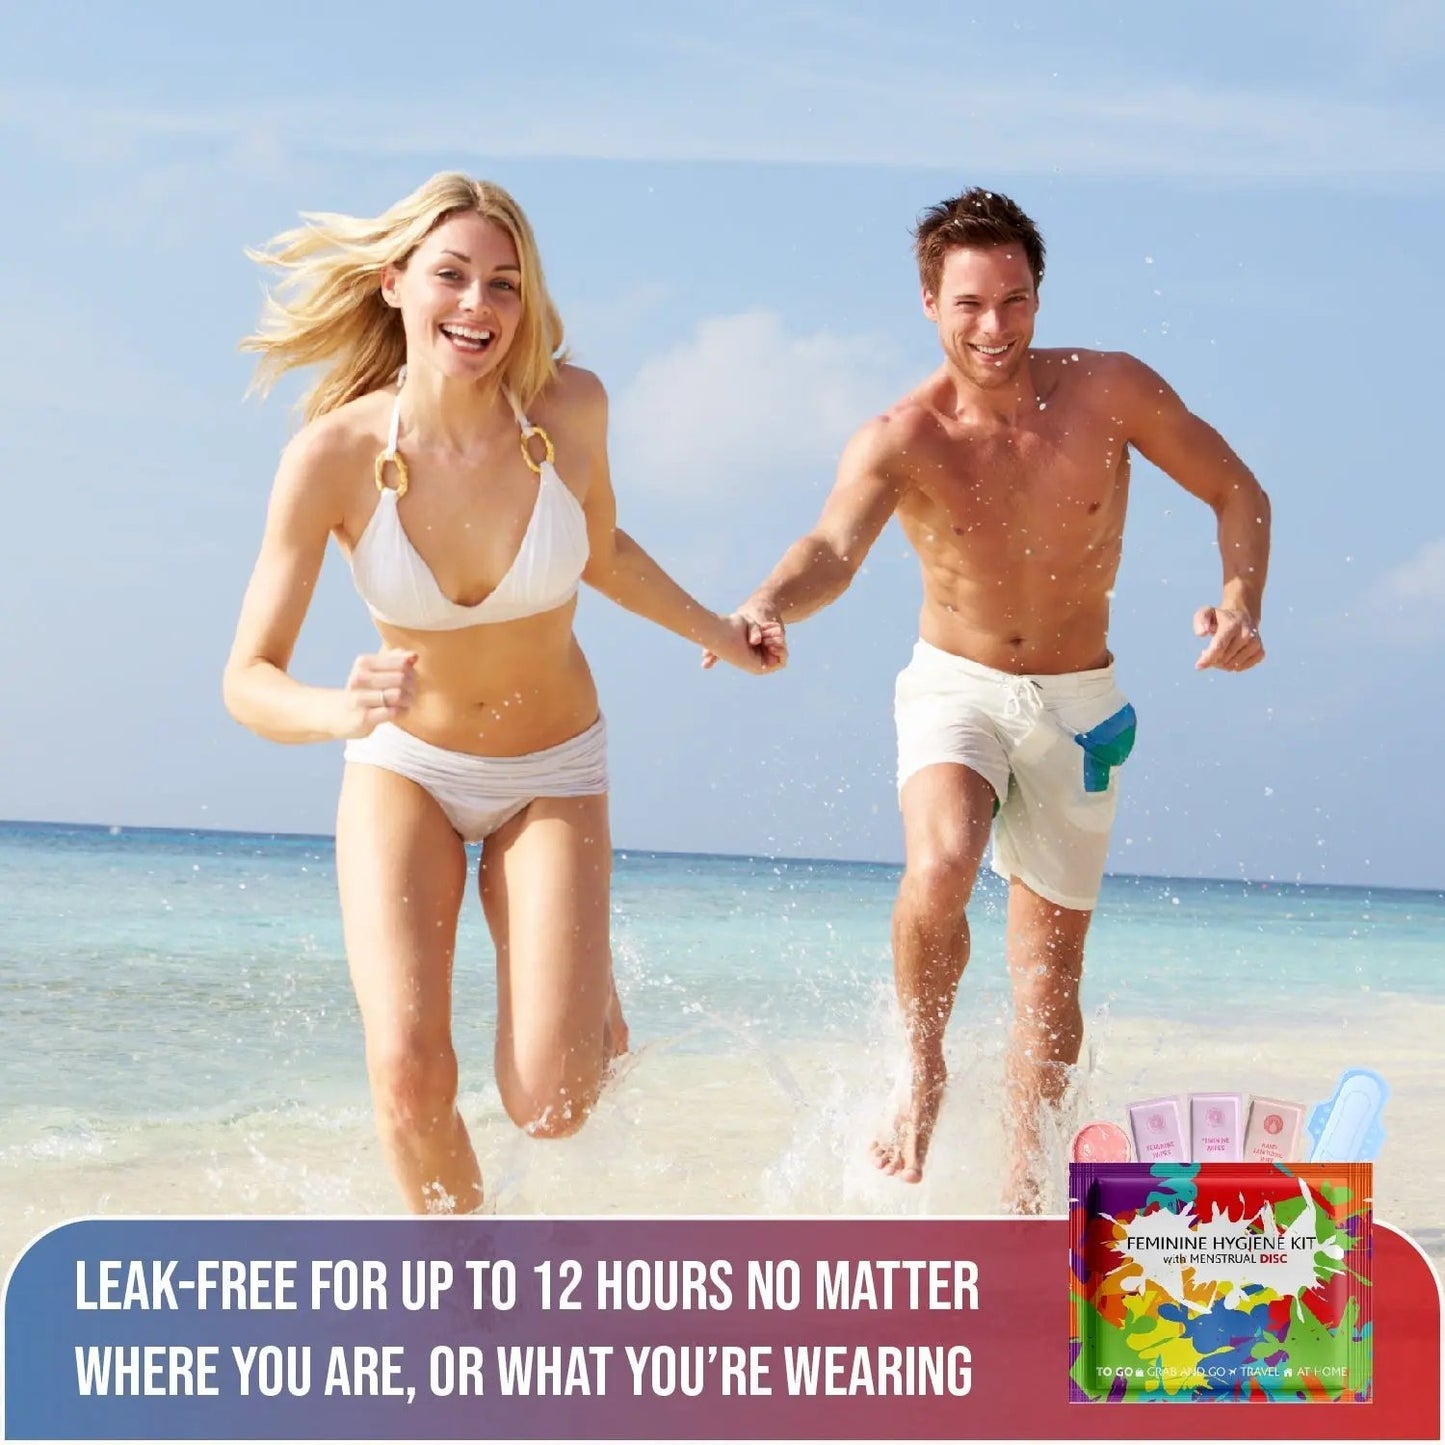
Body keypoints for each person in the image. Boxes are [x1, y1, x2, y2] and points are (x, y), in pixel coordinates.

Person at [223, 172, 785, 1214]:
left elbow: (601, 545)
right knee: (406, 1070)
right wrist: (334, 711)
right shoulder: (333, 458)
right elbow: (246, 677)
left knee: (553, 1104)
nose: (477, 306)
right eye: (451, 276)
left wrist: (720, 630)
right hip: (406, 768)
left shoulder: (570, 409)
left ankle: (584, 1016)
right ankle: (464, 1294)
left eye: (504, 284)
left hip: (551, 767)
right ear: (394, 283)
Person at [716, 188, 1270, 1209]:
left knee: (1046, 983)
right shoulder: (900, 435)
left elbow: (1236, 487)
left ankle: (1019, 1200)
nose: (993, 327)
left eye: (1013, 301)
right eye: (969, 303)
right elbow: (832, 548)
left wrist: (1238, 598)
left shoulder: (1109, 391)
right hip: (955, 686)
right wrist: (767, 600)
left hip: (1079, 699)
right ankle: (920, 1063)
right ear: (928, 302)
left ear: (1036, 296)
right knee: (941, 860)